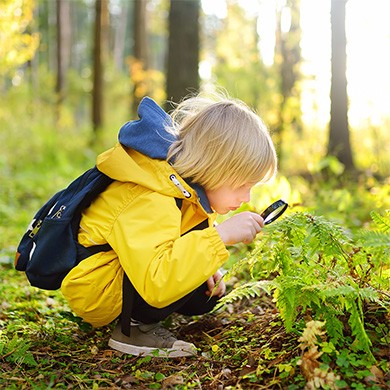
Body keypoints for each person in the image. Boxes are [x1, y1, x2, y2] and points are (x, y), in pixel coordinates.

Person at [61, 91, 277, 358]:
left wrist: (206, 264)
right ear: (214, 167)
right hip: (97, 288)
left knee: (203, 293)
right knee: (183, 276)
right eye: (241, 185)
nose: (246, 198)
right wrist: (218, 237)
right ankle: (133, 330)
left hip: (132, 272)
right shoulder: (152, 194)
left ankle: (142, 317)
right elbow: (156, 278)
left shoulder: (187, 191)